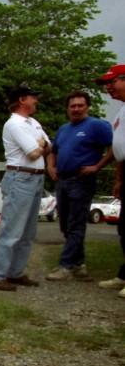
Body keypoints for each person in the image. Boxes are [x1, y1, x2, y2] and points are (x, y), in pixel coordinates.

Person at [0, 84, 51, 291]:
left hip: (35, 179)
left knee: (27, 232)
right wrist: (40, 145)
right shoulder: (14, 124)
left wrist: (40, 145)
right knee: (12, 230)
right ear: (22, 100)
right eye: (33, 97)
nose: (36, 101)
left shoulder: (33, 123)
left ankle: (15, 272)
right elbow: (33, 152)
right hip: (20, 178)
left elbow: (50, 146)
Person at [45, 91, 113, 281]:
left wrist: (97, 166)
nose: (76, 109)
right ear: (67, 109)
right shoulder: (63, 129)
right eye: (72, 106)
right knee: (65, 224)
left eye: (80, 105)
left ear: (87, 107)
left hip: (82, 181)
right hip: (63, 181)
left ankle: (66, 266)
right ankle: (79, 264)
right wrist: (51, 166)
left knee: (76, 223)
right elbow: (52, 150)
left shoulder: (97, 126)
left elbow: (114, 147)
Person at [94, 64, 125, 298]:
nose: (108, 89)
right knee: (124, 228)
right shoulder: (121, 112)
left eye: (112, 82)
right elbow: (119, 150)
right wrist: (117, 178)